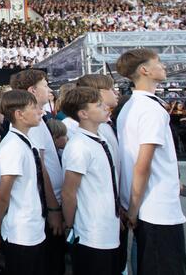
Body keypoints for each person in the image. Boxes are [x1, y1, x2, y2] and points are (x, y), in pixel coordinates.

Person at [115, 49, 186, 275]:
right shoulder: (150, 110)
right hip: (156, 208)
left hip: (147, 205)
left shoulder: (131, 106)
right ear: (144, 70)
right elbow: (142, 164)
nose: (163, 67)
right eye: (158, 63)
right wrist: (134, 208)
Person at [60, 87, 121, 275]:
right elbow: (69, 192)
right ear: (83, 113)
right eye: (98, 105)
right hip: (91, 232)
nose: (105, 107)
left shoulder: (100, 138)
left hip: (109, 227)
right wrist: (69, 225)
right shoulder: (79, 146)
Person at [10, 69, 65, 274]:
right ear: (33, 90)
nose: (49, 90)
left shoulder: (37, 120)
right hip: (45, 207)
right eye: (45, 85)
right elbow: (40, 168)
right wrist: (53, 209)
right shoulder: (31, 123)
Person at [0, 89, 46, 274]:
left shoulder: (25, 141)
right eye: (34, 108)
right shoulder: (13, 147)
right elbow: (2, 196)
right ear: (19, 114)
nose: (41, 111)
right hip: (20, 232)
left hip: (33, 227)